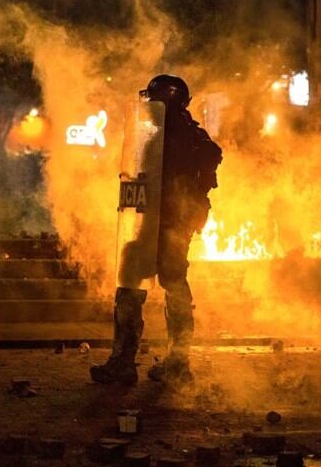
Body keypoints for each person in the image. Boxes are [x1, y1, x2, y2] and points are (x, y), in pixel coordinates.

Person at [90, 75, 222, 386]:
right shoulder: (190, 135)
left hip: (163, 222)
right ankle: (177, 362)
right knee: (174, 286)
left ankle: (126, 362)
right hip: (169, 223)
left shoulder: (168, 135)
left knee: (135, 286)